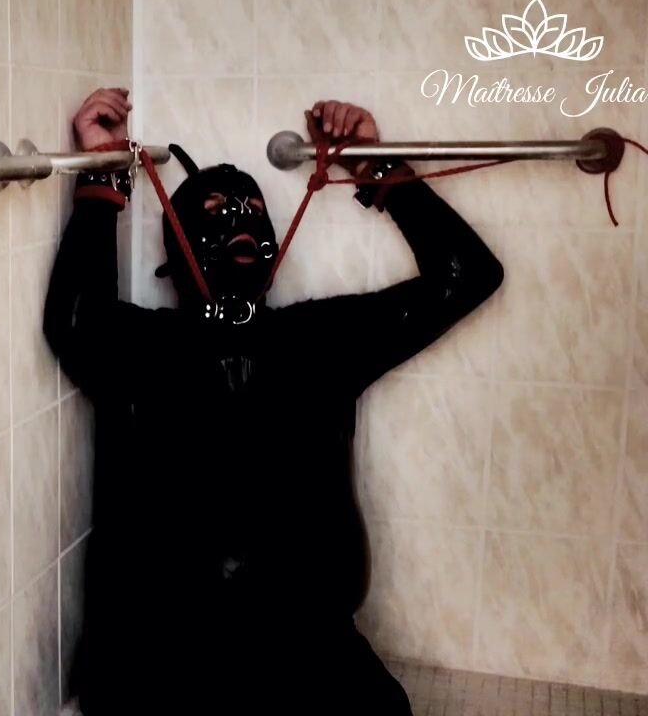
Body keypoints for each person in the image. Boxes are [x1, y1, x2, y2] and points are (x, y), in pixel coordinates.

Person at [43, 88, 504, 714]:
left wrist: (378, 168)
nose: (239, 218)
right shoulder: (138, 346)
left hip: (308, 652)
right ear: (174, 254)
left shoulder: (320, 341)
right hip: (160, 662)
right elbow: (73, 317)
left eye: (253, 211)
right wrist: (101, 174)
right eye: (215, 211)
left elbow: (468, 274)